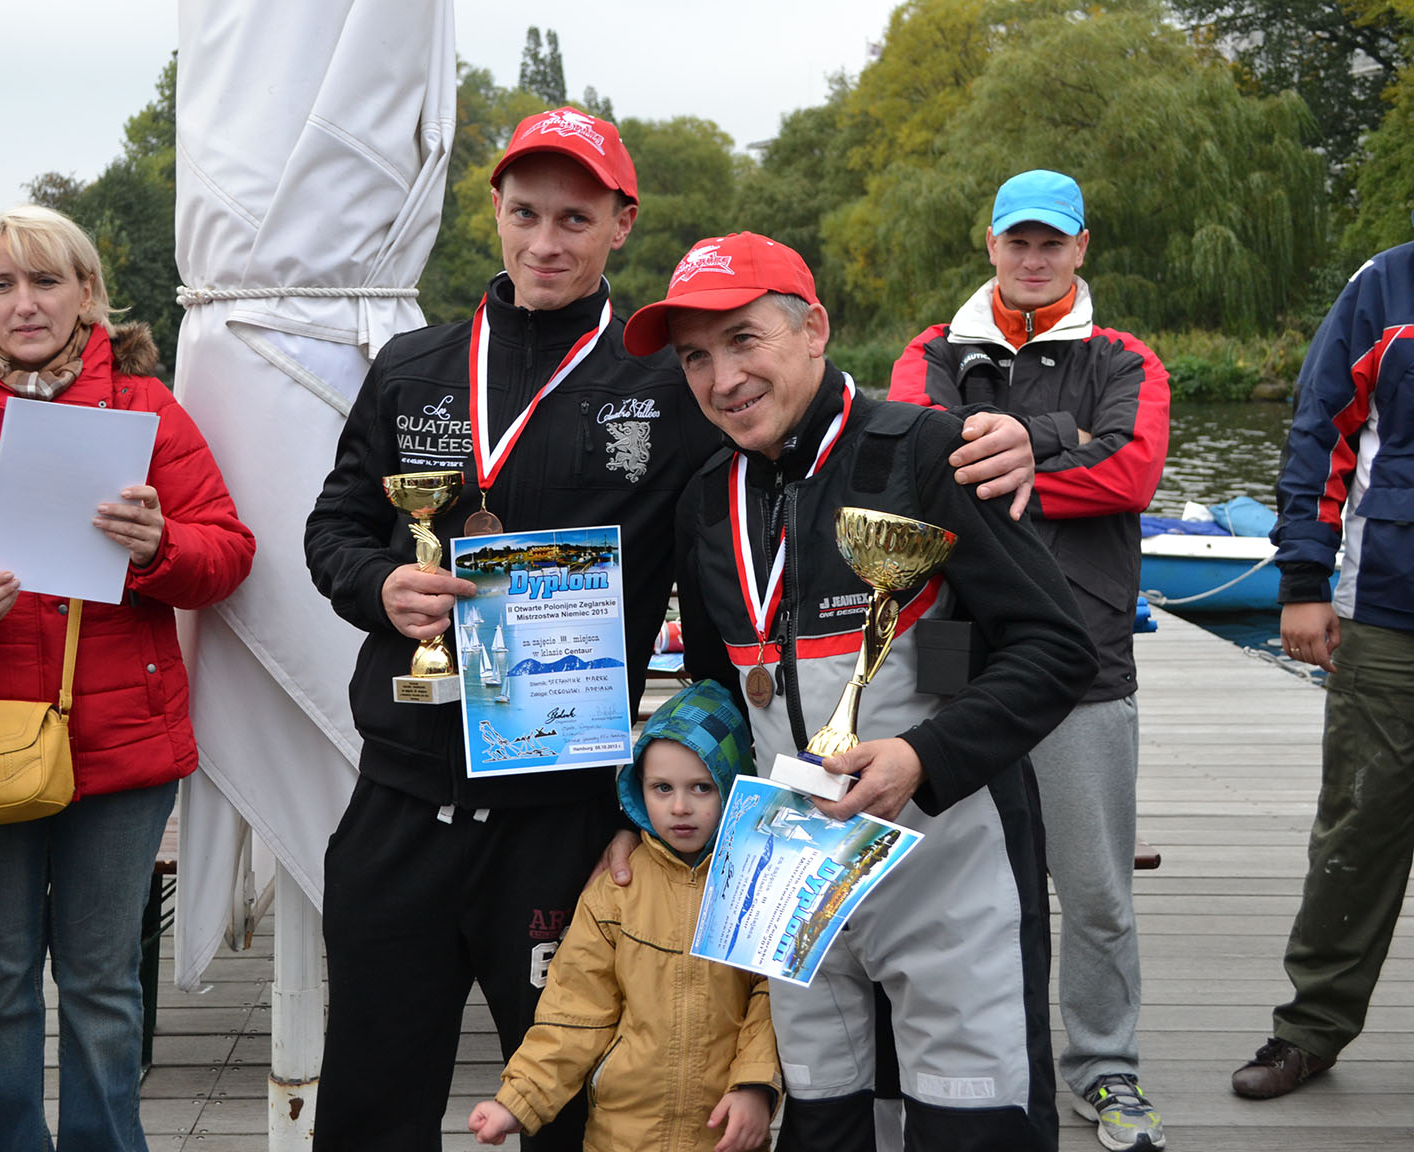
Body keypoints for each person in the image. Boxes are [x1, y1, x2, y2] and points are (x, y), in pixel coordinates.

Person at [304, 106, 1036, 1152]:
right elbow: (332, 527)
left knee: (584, 1098)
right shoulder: (413, 367)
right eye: (525, 213)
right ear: (495, 213)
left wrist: (988, 438)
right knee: (369, 1093)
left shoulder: (673, 377)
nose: (546, 241)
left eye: (575, 218)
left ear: (622, 224)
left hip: (565, 809)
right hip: (404, 788)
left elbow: (805, 424)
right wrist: (379, 586)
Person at [625, 230, 1098, 1151]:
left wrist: (924, 755)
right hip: (795, 885)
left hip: (947, 865)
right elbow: (719, 693)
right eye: (696, 358)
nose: (723, 379)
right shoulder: (705, 499)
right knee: (828, 1129)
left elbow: (1055, 648)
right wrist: (653, 811)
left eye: (744, 340)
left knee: (971, 1129)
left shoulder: (932, 453)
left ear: (814, 329)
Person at [0, 205, 255, 1150]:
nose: (24, 303)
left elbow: (227, 552)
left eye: (45, 281)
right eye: (2, 284)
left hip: (120, 743)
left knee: (102, 985)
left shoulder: (146, 409)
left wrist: (159, 547)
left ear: (87, 294)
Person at [889, 170, 1171, 1151]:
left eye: (1053, 242)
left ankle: (1106, 1068)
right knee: (948, 884)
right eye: (1019, 241)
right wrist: (1064, 440)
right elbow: (918, 465)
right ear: (993, 246)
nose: (1034, 258)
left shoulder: (1125, 356)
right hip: (955, 661)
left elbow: (1131, 469)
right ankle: (957, 1059)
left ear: (1081, 248)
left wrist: (1018, 449)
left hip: (1085, 664)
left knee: (1095, 894)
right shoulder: (930, 351)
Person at [1229, 232, 1414, 1100]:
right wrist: (1305, 580)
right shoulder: (1385, 285)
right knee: (1359, 829)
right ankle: (1311, 1028)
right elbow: (1319, 435)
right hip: (1388, 611)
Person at [467, 679, 780, 1152]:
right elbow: (573, 1010)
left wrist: (755, 1086)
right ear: (638, 788)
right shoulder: (615, 892)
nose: (680, 807)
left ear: (735, 786)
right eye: (662, 788)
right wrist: (518, 1100)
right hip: (620, 1135)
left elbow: (772, 1000)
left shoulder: (759, 887)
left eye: (702, 787)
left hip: (724, 1131)